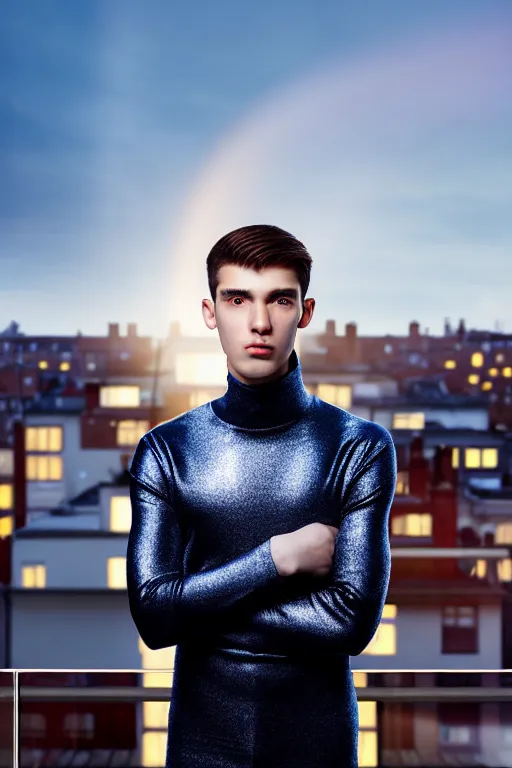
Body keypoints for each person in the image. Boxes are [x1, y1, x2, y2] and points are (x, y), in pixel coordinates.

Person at [126, 224, 397, 767]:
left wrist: (196, 606)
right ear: (210, 312)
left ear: (305, 311)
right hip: (200, 748)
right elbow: (153, 619)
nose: (259, 322)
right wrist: (277, 559)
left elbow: (350, 624)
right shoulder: (164, 451)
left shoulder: (359, 447)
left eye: (279, 299)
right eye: (237, 299)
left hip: (318, 748)